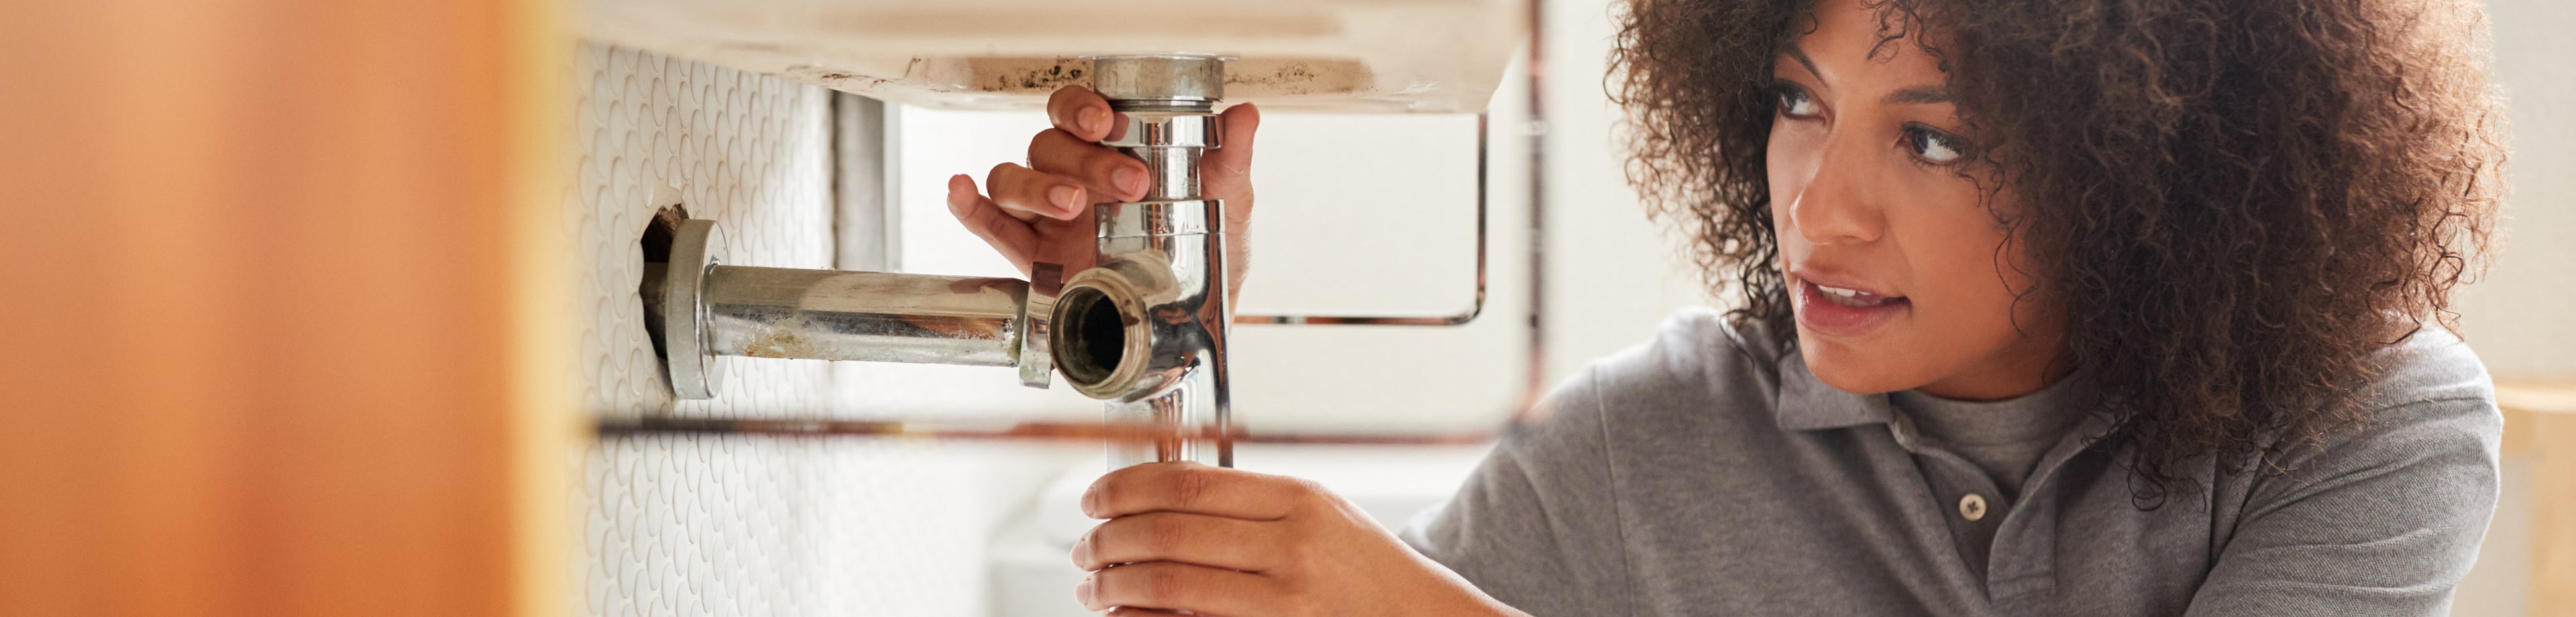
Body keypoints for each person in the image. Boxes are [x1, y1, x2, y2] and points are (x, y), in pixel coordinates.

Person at [943, 0, 2510, 613]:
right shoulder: (1649, 443)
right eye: (1796, 101)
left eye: (1936, 135)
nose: (1817, 206)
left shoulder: (2369, 426)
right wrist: (1175, 325)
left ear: (2154, 163)